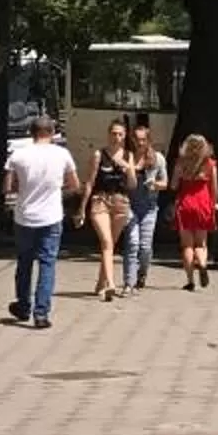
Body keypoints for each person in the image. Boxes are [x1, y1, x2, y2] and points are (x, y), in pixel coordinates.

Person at [5, 116, 79, 329]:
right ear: (52, 132)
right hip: (51, 216)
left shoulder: (18, 155)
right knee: (47, 263)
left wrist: (23, 187)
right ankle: (41, 313)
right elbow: (74, 185)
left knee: (24, 262)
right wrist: (57, 188)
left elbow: (8, 187)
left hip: (24, 216)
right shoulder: (62, 154)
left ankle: (23, 305)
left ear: (31, 132)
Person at [84, 118, 134, 301]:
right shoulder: (99, 154)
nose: (116, 137)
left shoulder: (128, 155)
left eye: (120, 134)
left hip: (121, 202)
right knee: (106, 242)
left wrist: (128, 168)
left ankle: (101, 282)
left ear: (125, 136)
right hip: (101, 200)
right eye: (113, 133)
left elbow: (133, 184)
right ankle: (111, 284)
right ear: (108, 134)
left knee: (110, 244)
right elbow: (89, 182)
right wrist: (82, 207)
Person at [171, 133, 218, 290]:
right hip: (203, 205)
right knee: (201, 244)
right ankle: (203, 264)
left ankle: (190, 280)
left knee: (187, 246)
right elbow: (214, 188)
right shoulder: (210, 164)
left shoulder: (181, 163)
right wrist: (214, 204)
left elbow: (173, 185)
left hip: (185, 205)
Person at [122, 122, 166, 294]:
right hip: (130, 205)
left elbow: (165, 183)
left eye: (143, 139)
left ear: (148, 140)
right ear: (132, 139)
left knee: (145, 247)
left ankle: (142, 274)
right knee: (132, 243)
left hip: (149, 208)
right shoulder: (127, 157)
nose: (140, 143)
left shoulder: (157, 158)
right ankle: (128, 282)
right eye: (137, 139)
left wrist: (155, 184)